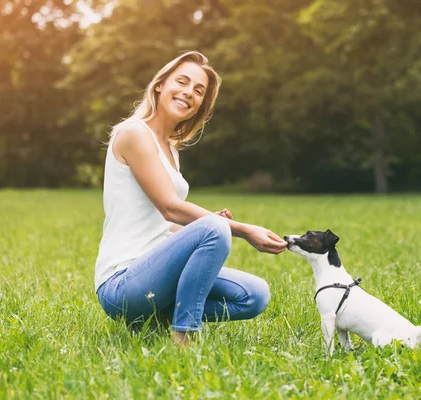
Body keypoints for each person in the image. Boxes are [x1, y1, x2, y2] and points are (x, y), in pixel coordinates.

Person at [94, 51, 288, 345]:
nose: (189, 93)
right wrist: (240, 230)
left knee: (254, 295)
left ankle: (157, 317)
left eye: (199, 91)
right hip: (121, 284)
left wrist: (202, 231)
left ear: (201, 105)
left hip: (154, 275)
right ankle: (184, 336)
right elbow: (170, 208)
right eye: (182, 82)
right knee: (214, 228)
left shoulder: (170, 150)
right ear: (160, 84)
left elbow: (160, 224)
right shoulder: (134, 133)